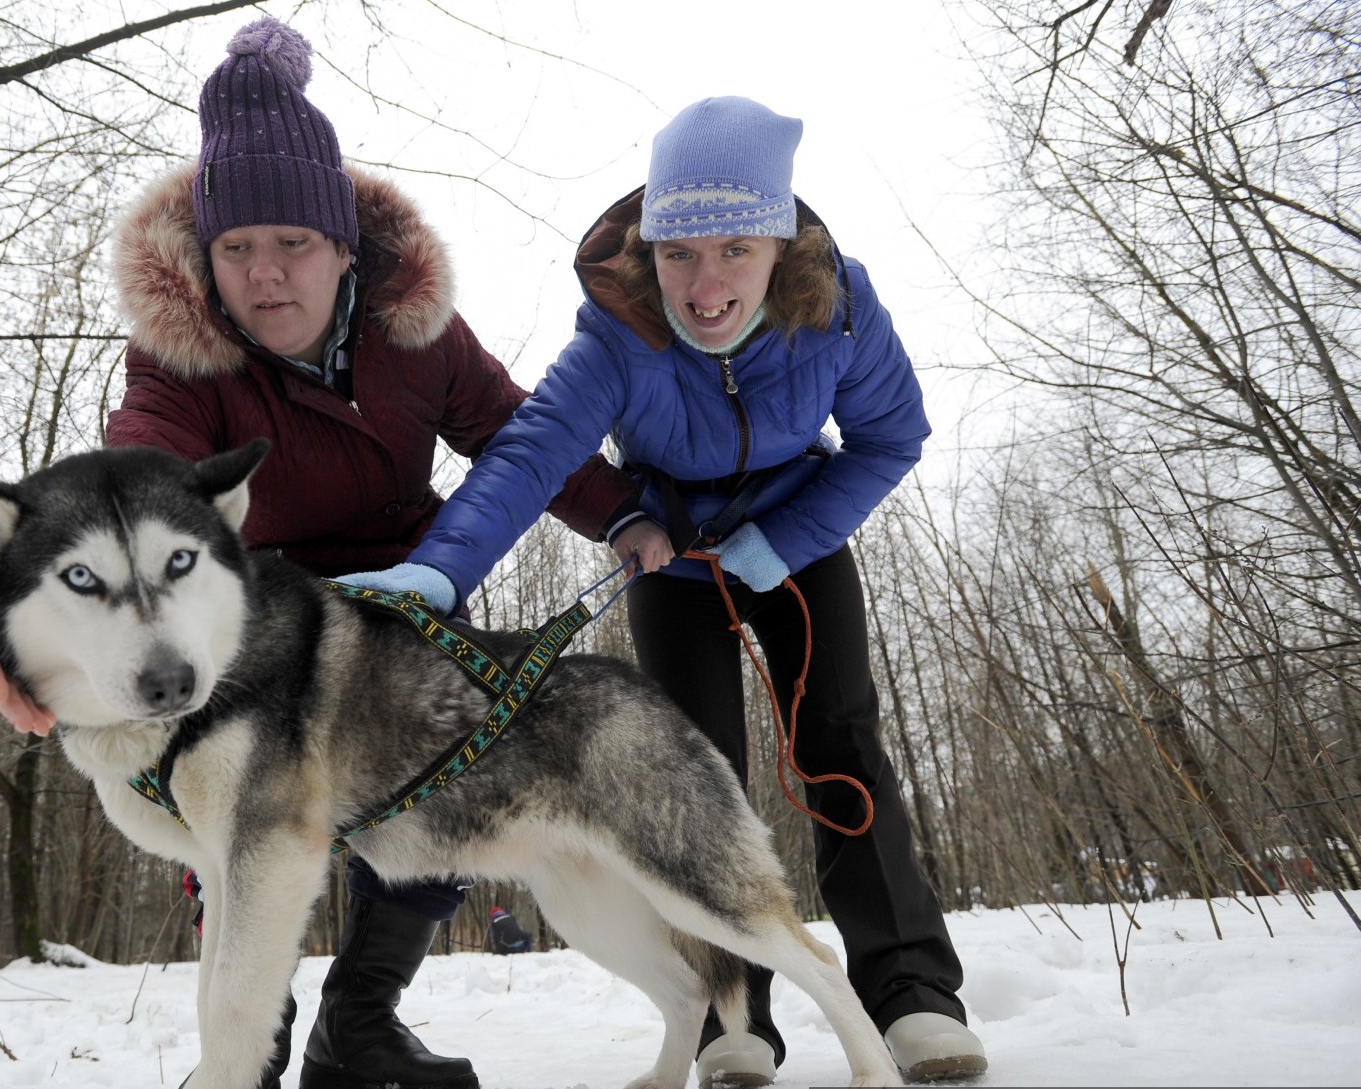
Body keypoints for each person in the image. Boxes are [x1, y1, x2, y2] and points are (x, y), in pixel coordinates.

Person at [0, 17, 640, 1089]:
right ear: (205, 257)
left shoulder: (418, 332)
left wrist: (628, 517)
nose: (265, 276)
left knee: (439, 794)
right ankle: (252, 1038)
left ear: (342, 247)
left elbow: (516, 431)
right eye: (236, 249)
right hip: (265, 609)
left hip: (409, 590)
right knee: (225, 795)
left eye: (292, 245)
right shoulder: (179, 360)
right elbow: (138, 474)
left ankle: (358, 1021)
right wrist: (7, 596)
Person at [340, 97, 987, 1086]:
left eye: (733, 248)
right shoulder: (618, 332)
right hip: (674, 556)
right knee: (692, 784)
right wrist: (439, 570)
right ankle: (736, 1018)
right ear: (649, 254)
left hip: (795, 541)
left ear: (777, 245)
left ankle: (911, 996)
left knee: (839, 745)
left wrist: (787, 538)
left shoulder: (836, 310)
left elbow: (891, 439)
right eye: (679, 252)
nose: (705, 282)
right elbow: (526, 456)